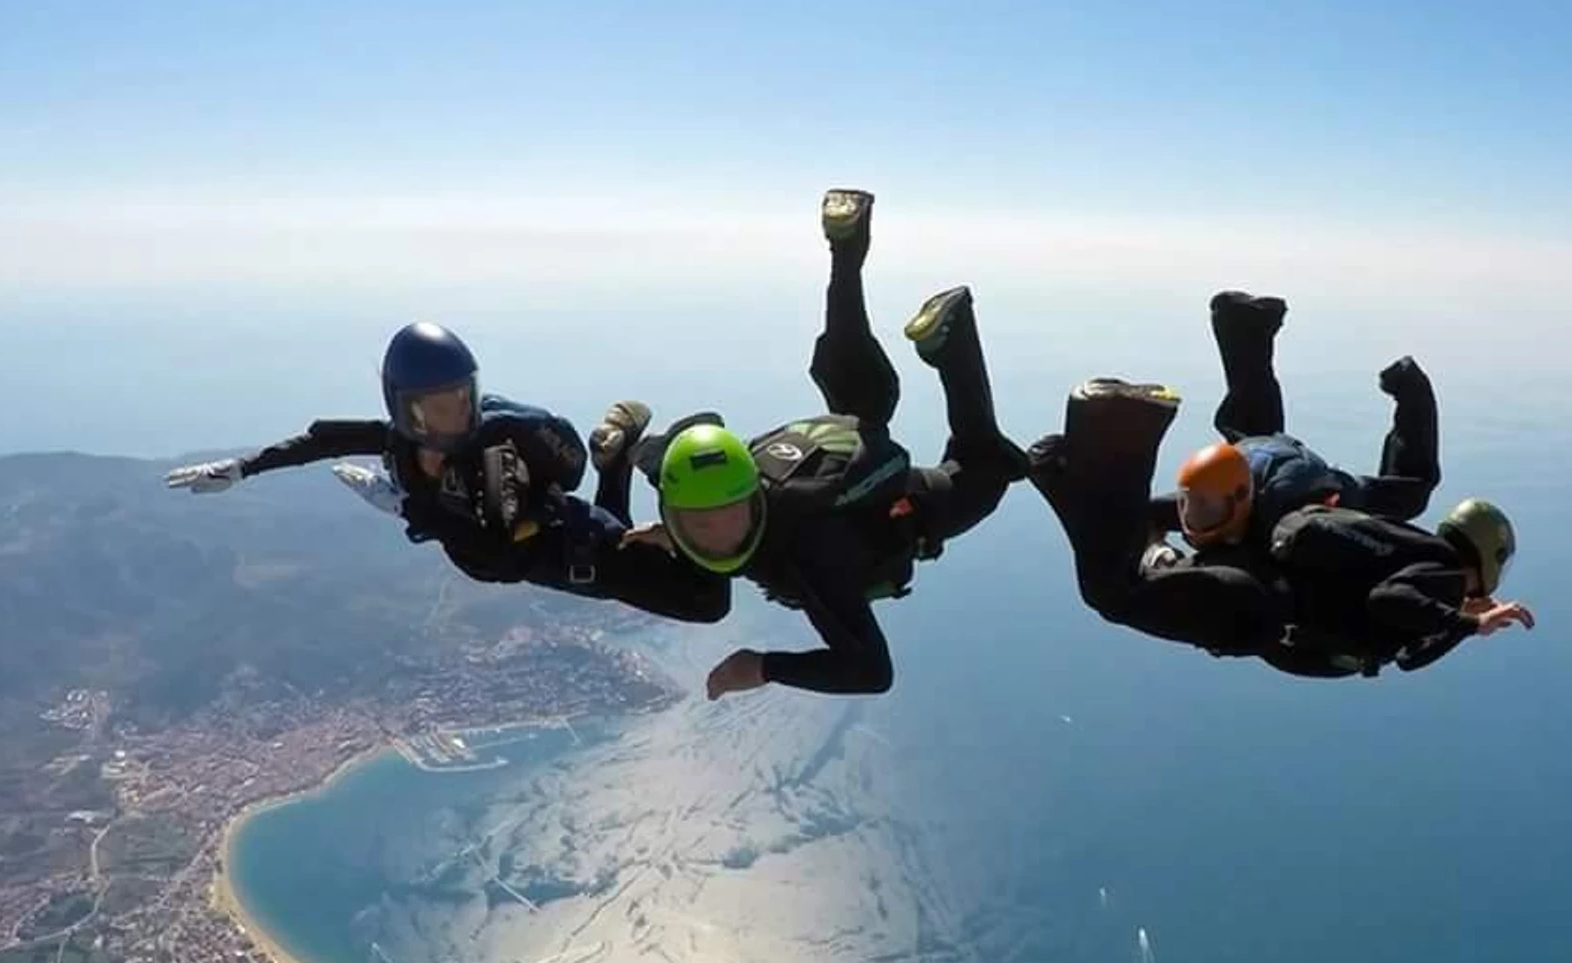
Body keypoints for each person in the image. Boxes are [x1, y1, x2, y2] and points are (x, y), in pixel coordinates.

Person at [619, 188, 1028, 698]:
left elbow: (871, 673)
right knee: (858, 391)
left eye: (727, 516)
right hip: (837, 446)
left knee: (983, 468)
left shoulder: (811, 557)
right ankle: (846, 250)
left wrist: (762, 666)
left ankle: (955, 336)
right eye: (701, 525)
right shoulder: (701, 471)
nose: (721, 537)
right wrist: (670, 531)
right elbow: (673, 456)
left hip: (910, 501)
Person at [163, 323, 729, 623]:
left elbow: (552, 487)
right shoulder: (396, 443)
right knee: (630, 545)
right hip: (536, 549)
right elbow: (319, 441)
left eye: (462, 399)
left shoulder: (500, 435)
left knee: (706, 603)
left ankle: (665, 468)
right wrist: (243, 468)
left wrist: (409, 507)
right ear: (405, 408)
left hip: (565, 545)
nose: (456, 416)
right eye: (438, 407)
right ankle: (621, 457)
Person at [1027, 376, 1533, 678]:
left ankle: (1064, 473)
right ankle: (1119, 426)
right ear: (1485, 561)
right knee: (1114, 594)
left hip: (1254, 585)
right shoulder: (1443, 573)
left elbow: (1408, 647)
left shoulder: (1415, 556)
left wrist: (1458, 621)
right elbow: (1391, 602)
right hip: (1253, 609)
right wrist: (1468, 621)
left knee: (1128, 560)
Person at [1146, 289, 1443, 554]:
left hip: (1306, 483)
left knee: (1411, 493)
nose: (1196, 521)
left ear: (1241, 497)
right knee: (1250, 422)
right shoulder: (1208, 497)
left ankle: (1411, 387)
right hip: (1254, 455)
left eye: (1205, 511)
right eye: (1189, 506)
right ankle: (1242, 322)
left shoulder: (1296, 514)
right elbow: (1145, 514)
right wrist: (1157, 548)